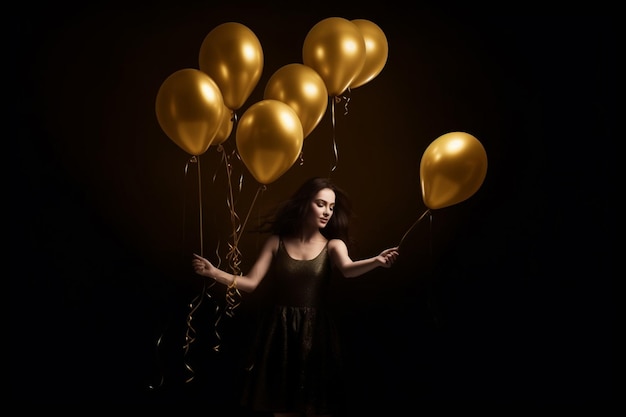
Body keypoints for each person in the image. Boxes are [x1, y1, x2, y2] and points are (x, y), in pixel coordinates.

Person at [192, 177, 399, 417]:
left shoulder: (334, 244)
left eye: (331, 207)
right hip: (280, 332)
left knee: (316, 406)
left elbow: (348, 269)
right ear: (304, 203)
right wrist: (213, 272)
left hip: (316, 333)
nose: (327, 212)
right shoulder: (276, 242)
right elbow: (250, 283)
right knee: (281, 406)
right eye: (321, 204)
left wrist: (377, 261)